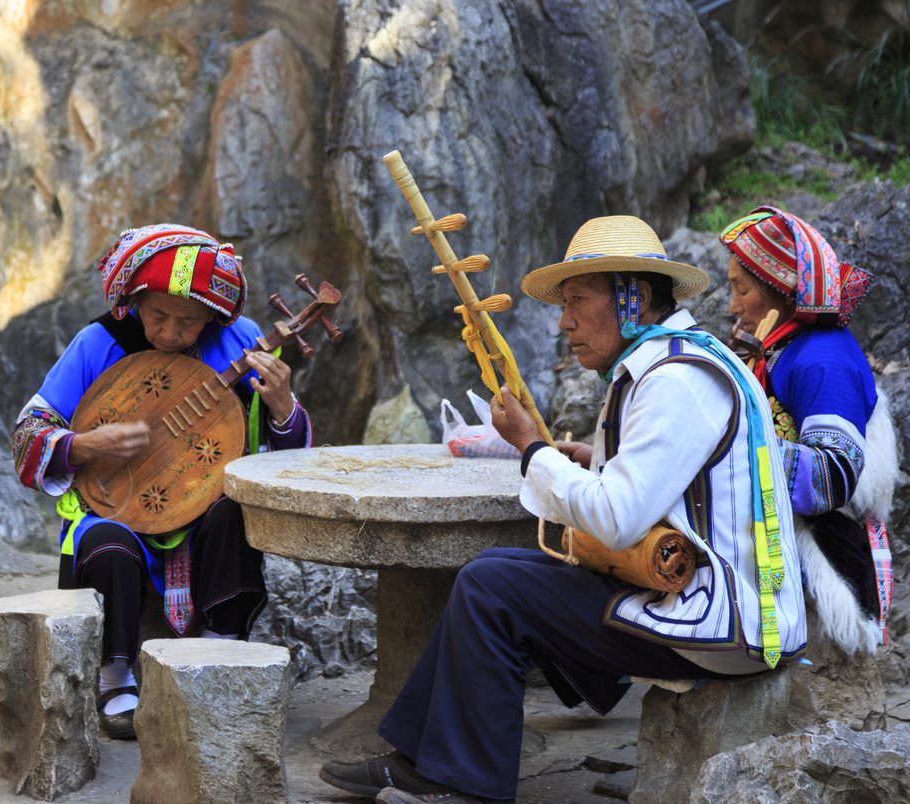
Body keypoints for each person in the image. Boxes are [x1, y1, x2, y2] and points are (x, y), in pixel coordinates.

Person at [319, 215, 807, 804]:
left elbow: (618, 518)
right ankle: (420, 758)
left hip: (726, 624)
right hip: (702, 601)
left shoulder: (677, 379)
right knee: (498, 570)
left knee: (490, 586)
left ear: (635, 298)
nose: (564, 321)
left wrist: (533, 449)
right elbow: (651, 490)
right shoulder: (668, 364)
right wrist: (582, 460)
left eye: (578, 301)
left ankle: (465, 781)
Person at [11, 223, 312, 739]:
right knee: (105, 540)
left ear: (213, 317)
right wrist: (84, 446)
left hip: (203, 515)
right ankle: (116, 678)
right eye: (158, 315)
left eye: (188, 322)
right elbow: (26, 435)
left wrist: (285, 406)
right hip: (116, 508)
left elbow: (285, 468)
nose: (170, 333)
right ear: (135, 300)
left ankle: (224, 653)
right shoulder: (97, 343)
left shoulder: (243, 343)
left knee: (236, 511)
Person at [721, 207, 895, 654]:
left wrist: (729, 443)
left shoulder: (822, 360)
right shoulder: (783, 348)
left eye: (741, 289)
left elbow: (831, 478)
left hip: (824, 540)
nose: (733, 305)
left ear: (779, 293)